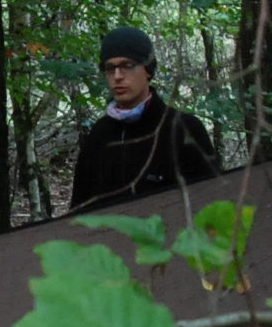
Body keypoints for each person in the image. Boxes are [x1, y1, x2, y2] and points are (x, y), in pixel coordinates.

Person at [67, 26, 222, 212]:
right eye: (110, 68)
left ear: (147, 69)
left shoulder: (184, 130)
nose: (117, 76)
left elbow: (210, 206)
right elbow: (78, 211)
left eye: (127, 66)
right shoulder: (99, 136)